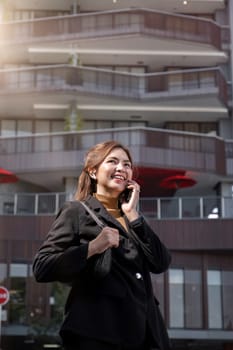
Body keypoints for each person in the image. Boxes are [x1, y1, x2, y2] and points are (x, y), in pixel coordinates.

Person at [33, 140, 172, 350]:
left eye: (127, 164)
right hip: (99, 331)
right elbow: (42, 267)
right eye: (113, 161)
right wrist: (93, 247)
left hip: (146, 332)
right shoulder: (75, 211)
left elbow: (160, 263)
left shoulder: (133, 217)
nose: (122, 168)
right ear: (93, 172)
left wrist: (133, 214)